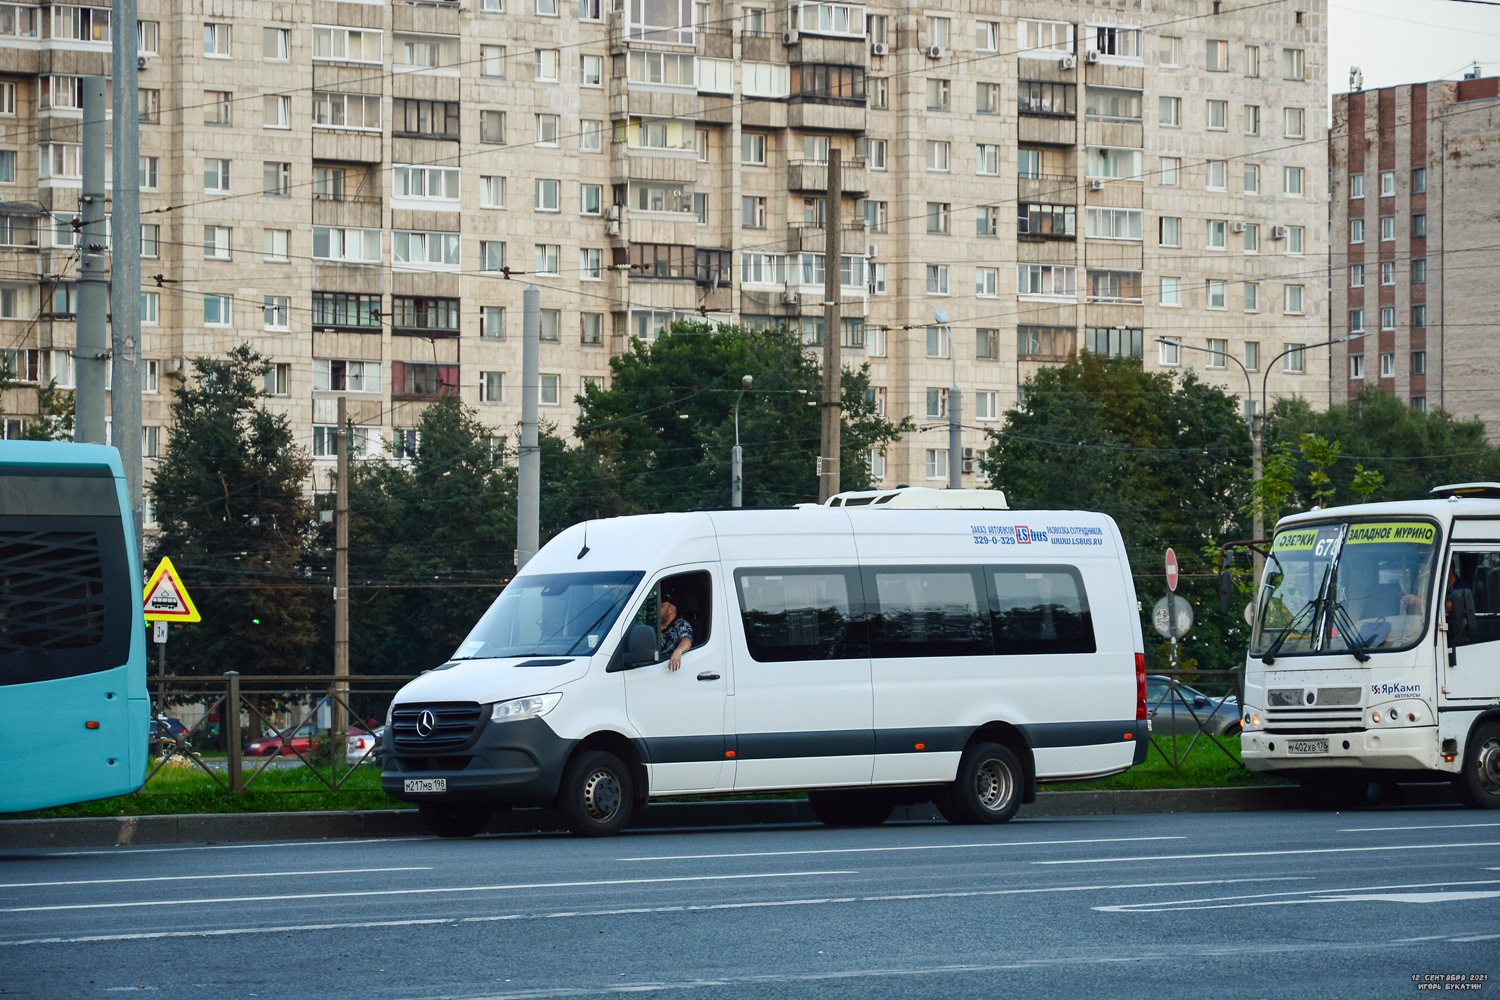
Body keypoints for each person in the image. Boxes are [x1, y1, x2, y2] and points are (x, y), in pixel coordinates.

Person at [658, 592, 693, 671]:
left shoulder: (681, 625)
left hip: (668, 668)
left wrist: (678, 651)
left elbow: (687, 640)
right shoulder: (654, 627)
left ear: (671, 609)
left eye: (661, 606)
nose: (656, 609)